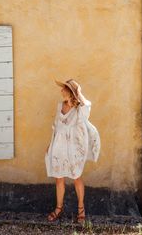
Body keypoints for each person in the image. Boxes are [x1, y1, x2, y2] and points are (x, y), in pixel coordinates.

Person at [45, 79, 100, 223]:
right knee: (59, 178)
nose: (61, 91)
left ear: (70, 91)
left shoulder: (79, 108)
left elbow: (87, 106)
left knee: (76, 177)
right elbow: (56, 127)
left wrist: (78, 92)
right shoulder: (59, 106)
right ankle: (59, 208)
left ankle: (81, 209)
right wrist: (50, 145)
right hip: (58, 146)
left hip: (73, 148)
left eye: (64, 88)